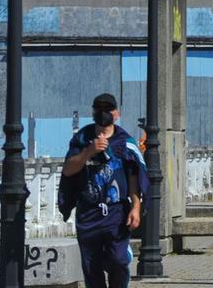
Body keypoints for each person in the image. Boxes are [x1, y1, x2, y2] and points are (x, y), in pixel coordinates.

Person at [59, 94, 148, 288]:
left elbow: (134, 175)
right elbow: (68, 169)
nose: (103, 113)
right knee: (92, 267)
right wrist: (89, 152)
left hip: (116, 211)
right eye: (99, 109)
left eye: (108, 109)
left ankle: (123, 257)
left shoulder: (125, 142)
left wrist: (136, 207)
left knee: (118, 261)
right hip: (88, 212)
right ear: (92, 113)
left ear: (116, 113)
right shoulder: (82, 139)